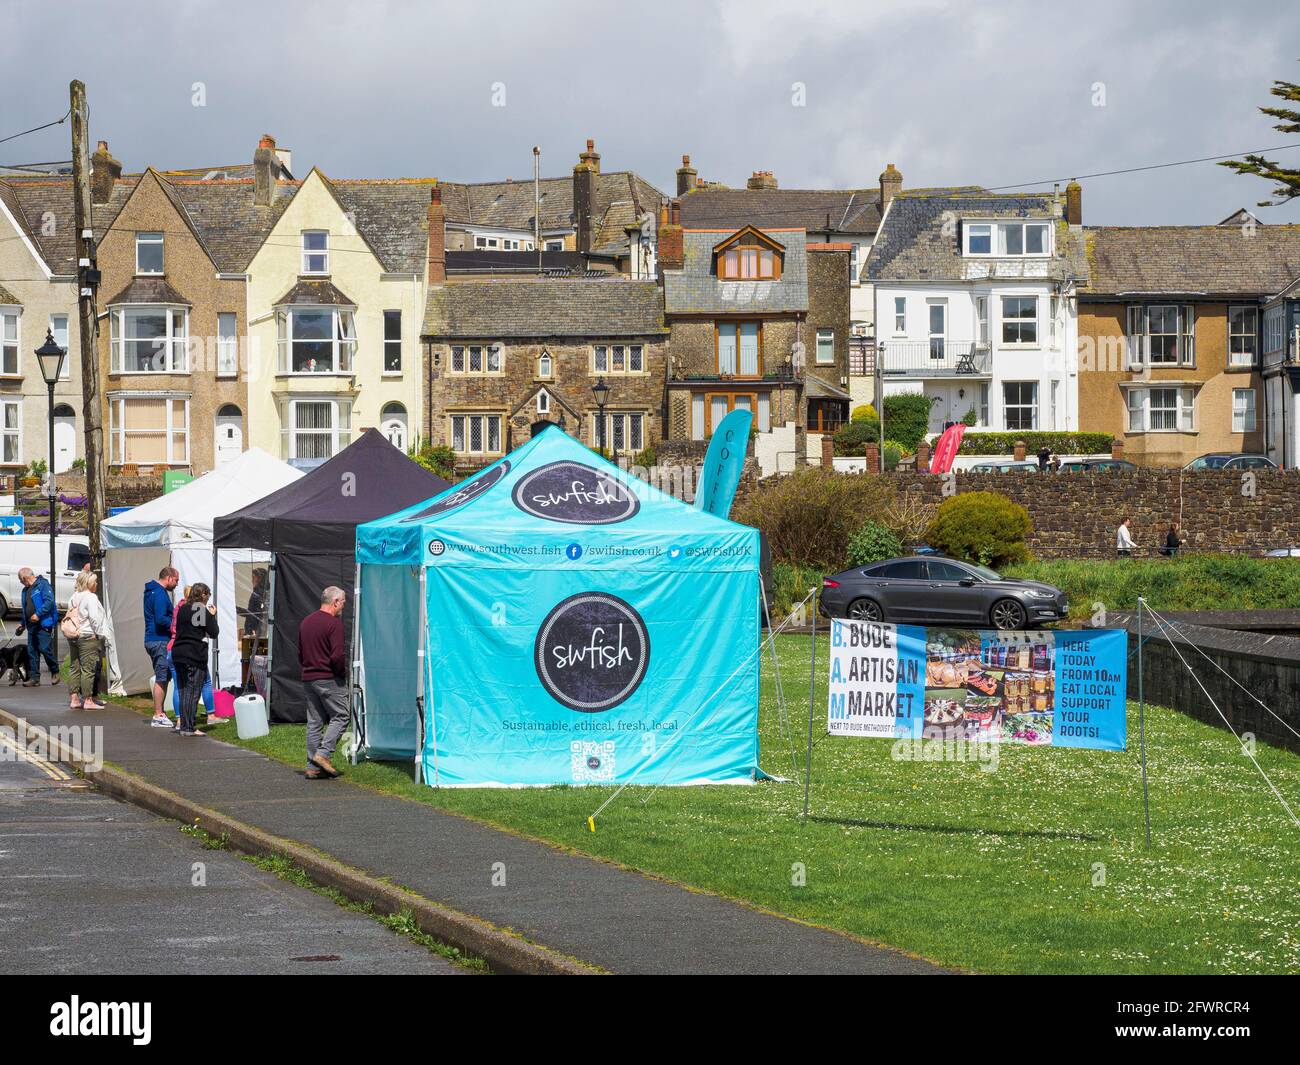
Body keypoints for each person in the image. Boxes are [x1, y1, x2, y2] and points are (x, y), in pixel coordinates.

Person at [299, 586, 348, 779]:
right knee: (342, 716)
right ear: (335, 602)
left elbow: (300, 653)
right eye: (343, 602)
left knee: (314, 722)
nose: (343, 606)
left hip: (308, 677)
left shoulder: (306, 622)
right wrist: (340, 674)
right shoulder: (334, 624)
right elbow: (337, 656)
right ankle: (324, 754)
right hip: (328, 678)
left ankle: (312, 766)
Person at [171, 582, 217, 737]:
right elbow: (213, 632)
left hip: (178, 652)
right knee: (193, 691)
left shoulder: (183, 608)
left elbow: (193, 627)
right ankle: (189, 727)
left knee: (183, 690)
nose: (208, 598)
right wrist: (211, 615)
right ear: (203, 595)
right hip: (193, 654)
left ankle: (184, 725)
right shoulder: (200, 610)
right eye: (208, 595)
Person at [66, 570, 107, 710]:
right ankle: (88, 700)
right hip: (88, 636)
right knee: (88, 669)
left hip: (73, 635)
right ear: (89, 583)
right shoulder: (91, 597)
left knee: (74, 667)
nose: (97, 583)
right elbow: (94, 618)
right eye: (95, 581)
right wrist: (100, 634)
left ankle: (74, 699)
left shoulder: (73, 596)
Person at [143, 567, 180, 727]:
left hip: (154, 639)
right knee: (162, 676)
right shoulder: (158, 593)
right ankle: (158, 714)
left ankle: (161, 713)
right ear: (169, 577)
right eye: (176, 580)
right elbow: (160, 619)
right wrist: (176, 628)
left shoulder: (153, 591)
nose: (177, 584)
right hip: (159, 640)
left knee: (163, 676)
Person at [15, 567, 59, 686]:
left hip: (43, 624)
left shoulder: (42, 585)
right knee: (32, 651)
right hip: (31, 625)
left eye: (20, 580)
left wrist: (38, 614)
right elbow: (26, 609)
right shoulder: (25, 590)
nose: (21, 583)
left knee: (45, 649)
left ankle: (55, 671)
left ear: (24, 578)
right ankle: (34, 678)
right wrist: (22, 623)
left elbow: (49, 602)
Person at [240, 568, 268, 638]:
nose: (252, 580)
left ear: (259, 578)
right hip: (256, 630)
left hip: (254, 631)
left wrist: (237, 609)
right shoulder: (264, 591)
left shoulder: (259, 593)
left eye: (253, 577)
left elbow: (254, 613)